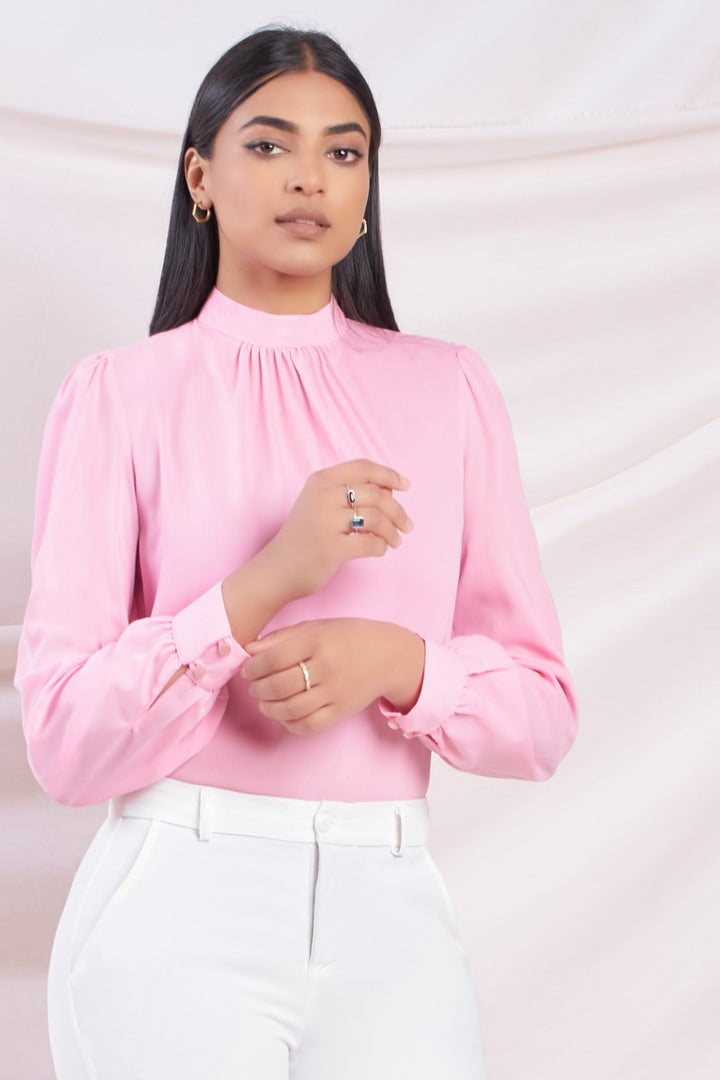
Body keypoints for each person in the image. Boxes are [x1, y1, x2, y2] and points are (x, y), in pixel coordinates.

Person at [14, 24, 579, 1080]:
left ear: (367, 189)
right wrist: (270, 578)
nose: (309, 177)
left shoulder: (447, 388)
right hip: (176, 907)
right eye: (269, 144)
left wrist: (398, 662)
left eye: (344, 150)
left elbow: (543, 716)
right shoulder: (120, 396)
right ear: (200, 177)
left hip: (392, 907)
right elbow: (63, 743)